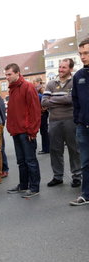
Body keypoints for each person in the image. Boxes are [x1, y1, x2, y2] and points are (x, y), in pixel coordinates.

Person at [41, 58, 81, 188]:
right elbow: (44, 102)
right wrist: (64, 99)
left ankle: (76, 176)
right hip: (54, 121)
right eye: (60, 67)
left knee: (74, 149)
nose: (60, 69)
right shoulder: (51, 83)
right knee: (55, 150)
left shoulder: (74, 82)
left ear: (70, 69)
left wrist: (54, 98)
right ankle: (57, 176)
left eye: (64, 67)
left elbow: (72, 99)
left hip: (71, 120)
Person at [4, 63, 42, 198]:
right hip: (16, 131)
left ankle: (34, 187)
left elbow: (35, 111)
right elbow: (14, 110)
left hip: (26, 131)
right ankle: (24, 184)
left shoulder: (27, 87)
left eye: (9, 74)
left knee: (30, 160)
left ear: (17, 73)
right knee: (21, 161)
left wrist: (32, 131)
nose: (7, 77)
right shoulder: (13, 89)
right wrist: (10, 127)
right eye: (6, 74)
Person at [70, 38, 89, 206]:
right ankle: (86, 194)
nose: (83, 57)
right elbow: (75, 101)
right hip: (83, 127)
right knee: (85, 162)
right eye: (80, 53)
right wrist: (78, 120)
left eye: (86, 53)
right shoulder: (79, 76)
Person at [35, 83, 50, 154]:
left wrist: (41, 110)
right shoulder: (42, 95)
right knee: (45, 132)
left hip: (42, 115)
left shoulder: (39, 96)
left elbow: (44, 106)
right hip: (44, 115)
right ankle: (47, 148)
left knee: (44, 132)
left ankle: (46, 148)